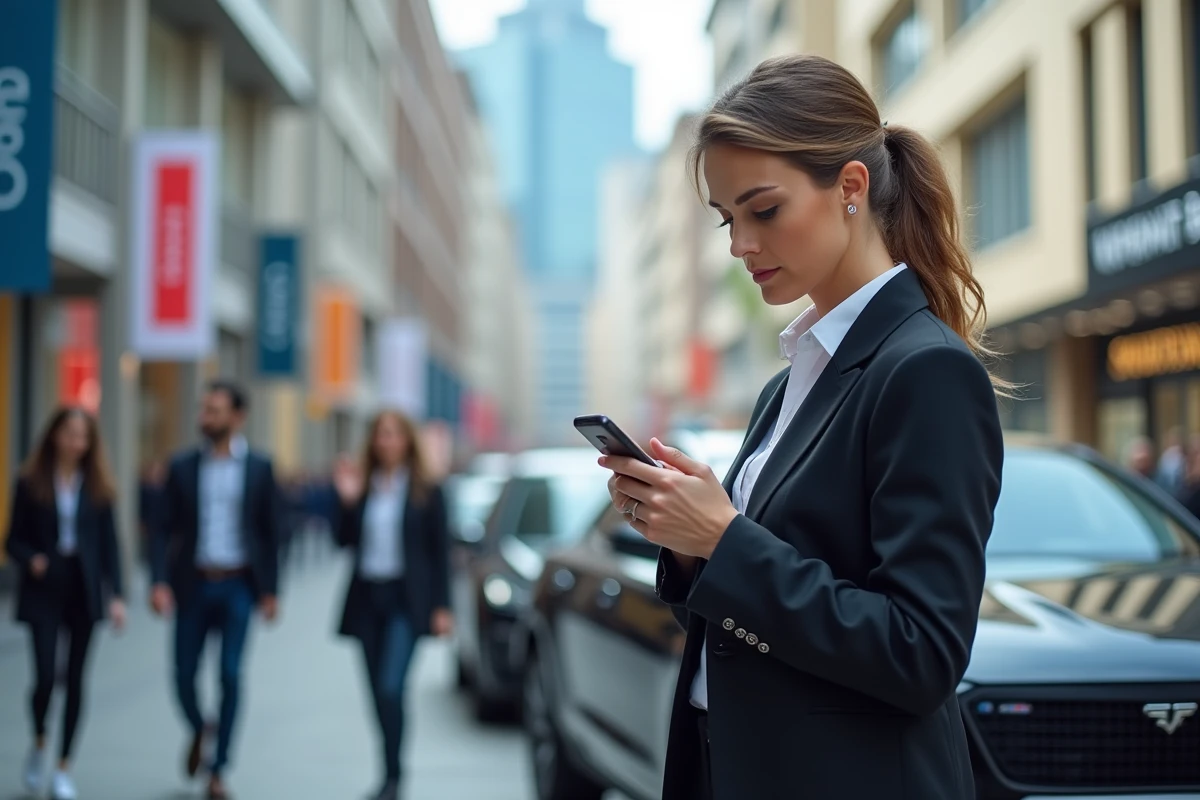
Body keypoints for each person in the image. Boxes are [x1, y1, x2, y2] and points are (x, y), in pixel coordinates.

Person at [600, 54, 1004, 800]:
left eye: (764, 210)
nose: (739, 246)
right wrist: (691, 547)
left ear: (850, 187)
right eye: (727, 220)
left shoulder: (926, 372)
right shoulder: (790, 381)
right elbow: (752, 620)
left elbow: (921, 655)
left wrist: (725, 540)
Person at [149, 380, 283, 800]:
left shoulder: (260, 467)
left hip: (239, 585)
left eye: (214, 410)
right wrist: (157, 581)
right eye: (202, 409)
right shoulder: (183, 466)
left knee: (229, 674)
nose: (204, 418)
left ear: (238, 417)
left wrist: (272, 591)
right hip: (192, 584)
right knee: (183, 675)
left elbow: (272, 532)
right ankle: (200, 726)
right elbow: (161, 529)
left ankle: (219, 768)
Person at [331, 411, 454, 800]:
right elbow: (342, 541)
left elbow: (440, 552)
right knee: (375, 694)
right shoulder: (364, 486)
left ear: (406, 440)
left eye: (392, 434)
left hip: (406, 600)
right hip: (368, 598)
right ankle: (388, 772)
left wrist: (442, 606)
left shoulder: (427, 489)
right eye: (379, 435)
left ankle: (395, 775)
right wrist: (347, 501)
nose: (385, 442)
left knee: (390, 687)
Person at [5, 407, 126, 800]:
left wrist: (118, 596)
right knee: (43, 677)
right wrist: (32, 559)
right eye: (70, 433)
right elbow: (12, 540)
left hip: (83, 587)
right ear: (54, 435)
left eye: (83, 436)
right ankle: (40, 740)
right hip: (44, 586)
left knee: (75, 679)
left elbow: (110, 546)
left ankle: (63, 766)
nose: (76, 442)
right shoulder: (30, 482)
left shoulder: (99, 487)